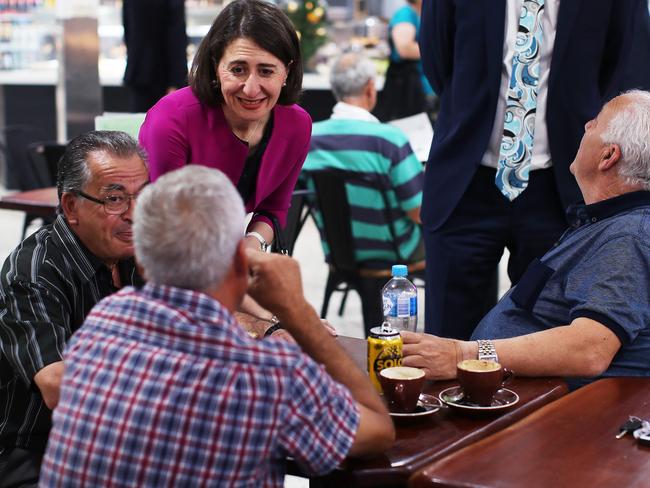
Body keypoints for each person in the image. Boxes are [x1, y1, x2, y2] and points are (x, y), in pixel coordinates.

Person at [40, 166, 395, 486]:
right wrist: (296, 311)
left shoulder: (103, 322)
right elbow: (379, 432)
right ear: (242, 262)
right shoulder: (269, 375)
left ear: (144, 265)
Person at [419, 0, 642, 340]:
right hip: (465, 181)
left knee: (544, 339)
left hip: (564, 187)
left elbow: (626, 68)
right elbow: (437, 61)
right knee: (449, 338)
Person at [402, 91, 650, 389]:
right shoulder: (611, 223)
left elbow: (591, 350)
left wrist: (463, 354)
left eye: (595, 123)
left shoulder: (628, 237)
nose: (585, 126)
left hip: (543, 415)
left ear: (608, 156)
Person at [0, 131, 148, 487]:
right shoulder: (34, 272)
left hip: (112, 443)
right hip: (33, 451)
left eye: (144, 197)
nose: (133, 214)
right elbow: (58, 386)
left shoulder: (137, 254)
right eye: (115, 199)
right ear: (70, 207)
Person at [139, 0, 310, 253]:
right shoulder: (172, 118)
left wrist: (252, 245)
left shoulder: (297, 125)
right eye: (238, 69)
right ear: (215, 66)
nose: (251, 89)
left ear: (287, 70)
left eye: (266, 71)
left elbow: (274, 207)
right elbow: (165, 221)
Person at [304, 52, 425, 266]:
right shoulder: (389, 140)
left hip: (338, 253)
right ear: (370, 88)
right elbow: (418, 212)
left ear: (335, 89)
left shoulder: (309, 138)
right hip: (396, 252)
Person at [122, 0, 188, 113]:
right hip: (164, 76)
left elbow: (127, 29)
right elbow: (176, 38)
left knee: (139, 123)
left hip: (138, 73)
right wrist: (176, 81)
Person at [375, 0, 435, 122]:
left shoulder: (421, 13)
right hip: (411, 89)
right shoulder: (406, 14)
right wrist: (441, 51)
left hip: (424, 86)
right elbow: (405, 48)